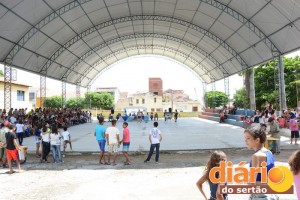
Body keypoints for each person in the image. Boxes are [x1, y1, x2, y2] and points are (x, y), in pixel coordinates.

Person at [244, 128, 277, 200]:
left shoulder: (257, 156)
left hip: (260, 195)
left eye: (248, 138)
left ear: (257, 140)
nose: (245, 141)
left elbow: (252, 183)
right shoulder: (269, 152)